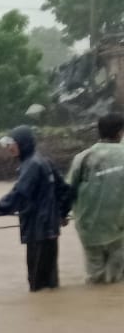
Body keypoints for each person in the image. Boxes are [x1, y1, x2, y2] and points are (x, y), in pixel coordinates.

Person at [0, 126, 73, 292]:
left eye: (12, 143)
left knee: (37, 284)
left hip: (38, 231)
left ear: (24, 143)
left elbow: (18, 195)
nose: (9, 148)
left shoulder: (32, 165)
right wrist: (62, 213)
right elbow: (65, 190)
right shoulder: (43, 161)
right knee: (50, 284)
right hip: (49, 230)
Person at [66, 113, 124, 284]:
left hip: (89, 228)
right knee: (117, 278)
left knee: (95, 277)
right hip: (119, 228)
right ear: (120, 132)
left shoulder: (83, 158)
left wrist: (61, 214)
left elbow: (68, 190)